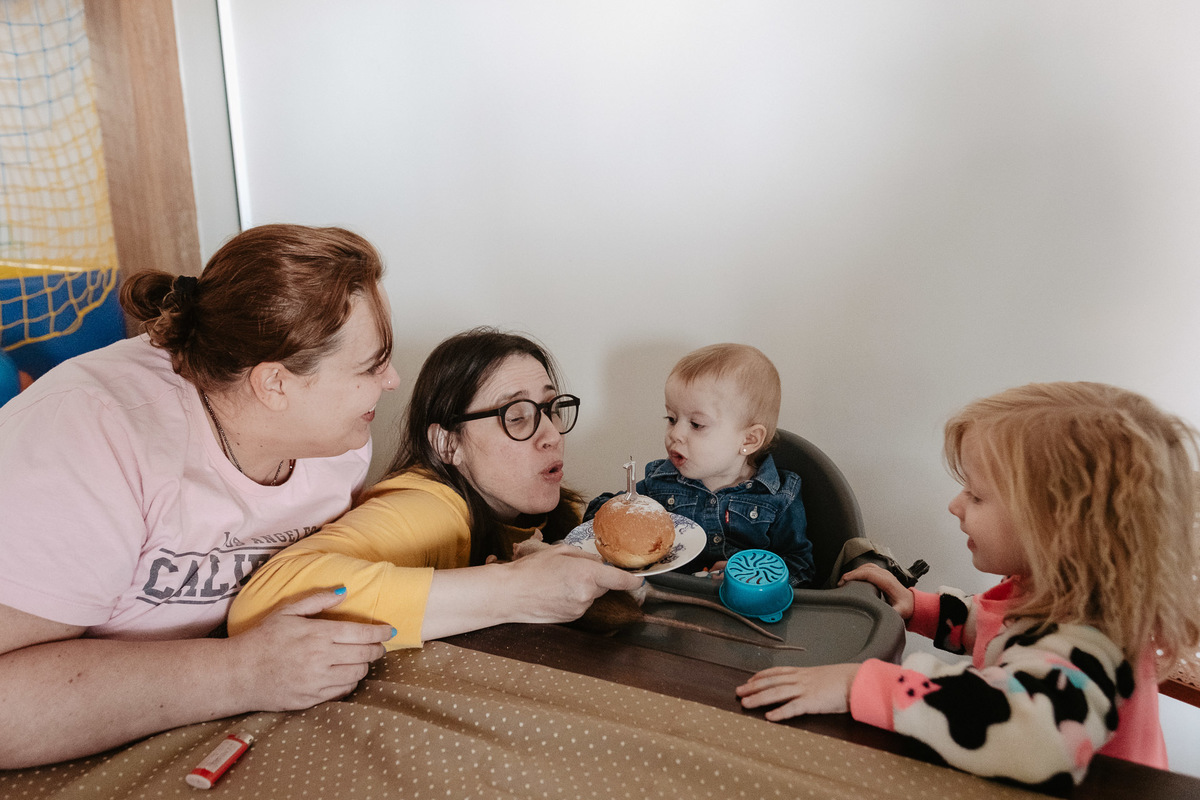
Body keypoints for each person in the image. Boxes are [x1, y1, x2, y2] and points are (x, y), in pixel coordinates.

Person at [0, 224, 401, 768]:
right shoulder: (91, 437)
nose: (392, 379)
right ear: (274, 384)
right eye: (372, 364)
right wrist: (240, 673)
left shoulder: (337, 436)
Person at [736, 382, 1200, 787]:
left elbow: (1029, 732)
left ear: (1058, 532)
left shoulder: (1091, 635)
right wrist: (921, 608)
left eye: (977, 496)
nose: (955, 505)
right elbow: (997, 626)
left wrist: (859, 685)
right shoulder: (1047, 586)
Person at [227, 327, 643, 646]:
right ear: (448, 445)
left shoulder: (544, 513)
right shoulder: (429, 508)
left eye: (551, 409)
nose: (551, 434)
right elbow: (261, 602)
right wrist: (516, 588)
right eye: (516, 417)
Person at [584, 343, 814, 586]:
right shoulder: (660, 482)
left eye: (696, 424)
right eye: (672, 419)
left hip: (740, 605)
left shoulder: (778, 497)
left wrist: (751, 577)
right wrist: (607, 517)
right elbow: (606, 514)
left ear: (748, 440)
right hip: (666, 597)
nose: (676, 434)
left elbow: (801, 567)